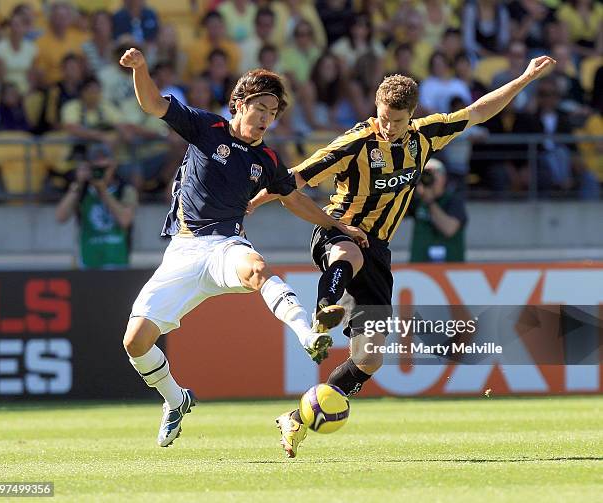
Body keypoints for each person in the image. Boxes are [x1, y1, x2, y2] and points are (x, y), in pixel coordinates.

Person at [250, 54, 557, 457]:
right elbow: (294, 178)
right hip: (340, 228)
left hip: (379, 250)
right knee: (348, 252)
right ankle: (326, 307)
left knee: (371, 357)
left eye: (397, 120)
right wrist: (249, 204)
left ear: (412, 116)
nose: (388, 127)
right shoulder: (356, 142)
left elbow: (479, 111)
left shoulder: (424, 136)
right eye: (382, 117)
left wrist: (523, 79)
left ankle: (295, 418)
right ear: (374, 109)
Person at [118, 47, 368, 448]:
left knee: (256, 268)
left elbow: (295, 199)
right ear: (239, 104)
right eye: (262, 107)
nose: (267, 117)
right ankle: (175, 400)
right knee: (135, 342)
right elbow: (151, 104)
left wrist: (338, 226)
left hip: (225, 246)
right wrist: (142, 68)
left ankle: (307, 336)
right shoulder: (206, 128)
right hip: (183, 250)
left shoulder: (266, 158)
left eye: (273, 112)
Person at [55, 143, 137, 269]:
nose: (100, 172)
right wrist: (78, 183)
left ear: (113, 166)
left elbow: (125, 220)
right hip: (87, 261)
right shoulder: (82, 190)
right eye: (96, 168)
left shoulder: (125, 190)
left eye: (105, 168)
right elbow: (60, 217)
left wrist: (103, 190)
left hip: (117, 261)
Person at [408, 159, 467, 263]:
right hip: (420, 266)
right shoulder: (416, 200)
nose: (428, 179)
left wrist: (429, 202)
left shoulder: (453, 200)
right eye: (424, 175)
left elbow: (449, 229)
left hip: (450, 268)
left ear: (444, 178)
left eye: (432, 175)